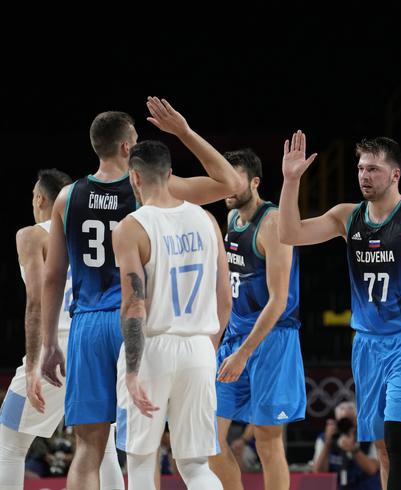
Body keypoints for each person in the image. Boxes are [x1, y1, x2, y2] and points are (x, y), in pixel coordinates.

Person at [39, 97, 245, 488]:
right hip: (142, 323)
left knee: (88, 450)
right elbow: (231, 184)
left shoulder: (68, 197)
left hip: (88, 324)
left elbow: (53, 278)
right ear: (126, 148)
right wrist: (183, 131)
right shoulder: (150, 188)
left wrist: (49, 341)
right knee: (154, 454)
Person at [278, 131, 401, 490]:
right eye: (360, 168)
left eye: (373, 169)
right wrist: (291, 180)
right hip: (368, 345)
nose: (364, 176)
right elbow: (290, 233)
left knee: (400, 438)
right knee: (384, 448)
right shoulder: (347, 216)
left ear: (395, 174)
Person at [112, 139, 230, 489]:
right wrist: (208, 347)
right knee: (195, 466)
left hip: (153, 349)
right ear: (170, 173)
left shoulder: (131, 227)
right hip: (199, 348)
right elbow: (225, 298)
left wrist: (132, 371)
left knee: (142, 461)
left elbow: (134, 305)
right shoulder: (207, 219)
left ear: (134, 177)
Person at [0, 169, 123, 490]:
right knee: (102, 446)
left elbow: (36, 302)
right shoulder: (92, 232)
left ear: (39, 198)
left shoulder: (31, 235)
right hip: (96, 343)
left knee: (9, 444)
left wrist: (31, 366)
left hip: (55, 348)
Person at [211, 148, 306, 490]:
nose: (226, 188)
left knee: (267, 441)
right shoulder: (232, 219)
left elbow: (278, 301)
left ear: (254, 182)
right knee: (209, 437)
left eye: (233, 181)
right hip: (236, 339)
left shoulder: (273, 223)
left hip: (271, 341)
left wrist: (243, 353)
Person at [312, 401, 381, 490]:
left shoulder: (369, 437)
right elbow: (319, 471)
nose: (346, 426)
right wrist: (327, 443)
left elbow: (372, 469)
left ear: (357, 421)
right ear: (336, 421)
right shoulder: (325, 438)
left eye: (350, 421)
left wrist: (354, 450)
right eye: (343, 421)